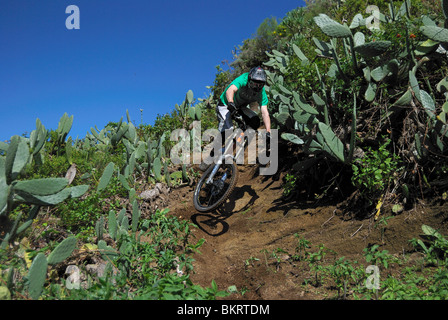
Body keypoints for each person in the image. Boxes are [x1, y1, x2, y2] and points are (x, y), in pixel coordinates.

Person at [200, 66, 272, 170]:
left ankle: (237, 149)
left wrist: (268, 131)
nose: (256, 87)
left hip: (239, 107)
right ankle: (212, 155)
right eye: (254, 83)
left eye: (260, 85)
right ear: (249, 79)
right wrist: (230, 103)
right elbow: (231, 89)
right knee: (227, 131)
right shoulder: (243, 78)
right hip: (225, 104)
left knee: (255, 121)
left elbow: (265, 113)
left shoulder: (261, 93)